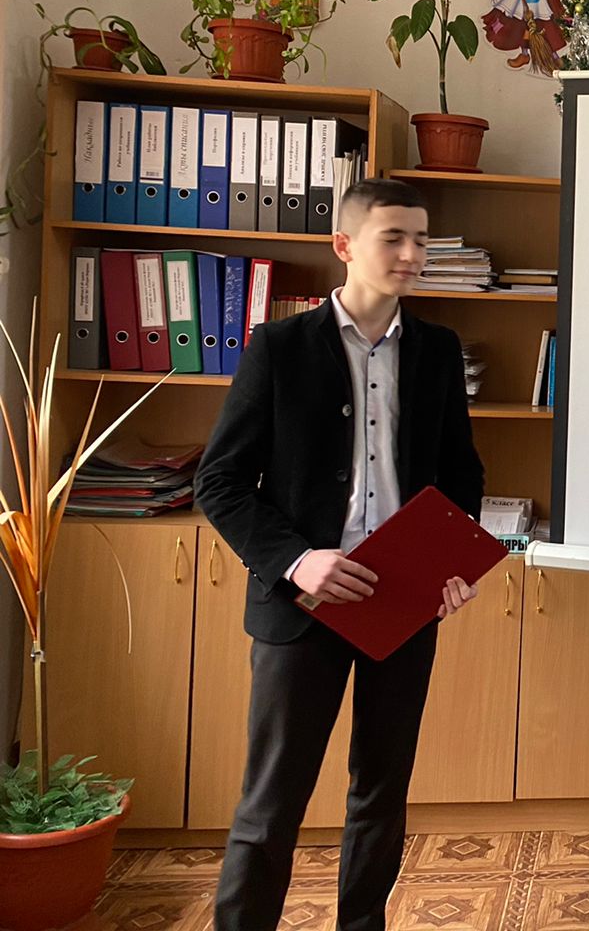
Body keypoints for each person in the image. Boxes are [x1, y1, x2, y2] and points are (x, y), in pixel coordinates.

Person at [196, 178, 485, 931]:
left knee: (381, 796)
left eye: (421, 239)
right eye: (394, 237)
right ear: (345, 245)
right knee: (271, 802)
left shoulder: (437, 350)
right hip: (303, 603)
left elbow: (461, 475)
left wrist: (454, 567)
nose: (411, 253)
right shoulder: (280, 347)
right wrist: (298, 560)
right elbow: (219, 482)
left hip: (404, 602)